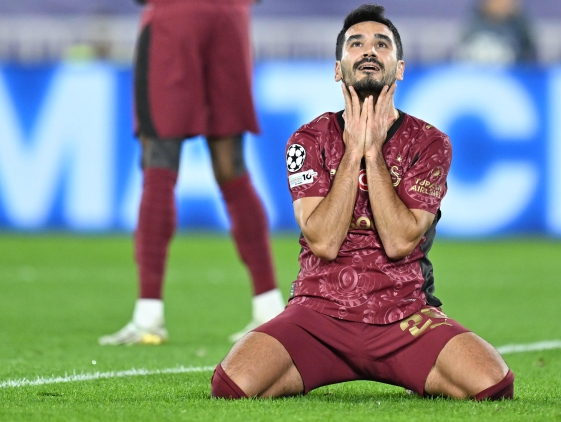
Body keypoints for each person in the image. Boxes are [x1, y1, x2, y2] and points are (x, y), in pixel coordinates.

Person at [210, 4, 514, 400]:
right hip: (317, 316)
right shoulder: (308, 140)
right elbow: (323, 242)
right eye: (356, 43)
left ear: (399, 68)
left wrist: (373, 152)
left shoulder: (429, 142)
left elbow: (400, 241)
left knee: (493, 386)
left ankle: (410, 368)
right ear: (338, 69)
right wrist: (353, 150)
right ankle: (328, 367)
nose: (369, 50)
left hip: (405, 317)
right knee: (231, 386)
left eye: (381, 44)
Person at [99, 0, 285, 346]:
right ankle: (269, 307)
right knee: (232, 167)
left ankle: (148, 317)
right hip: (231, 16)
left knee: (159, 164)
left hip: (175, 17)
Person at [459, 0, 536, 65]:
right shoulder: (472, 23)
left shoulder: (520, 28)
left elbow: (530, 63)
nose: (501, 3)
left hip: (509, 77)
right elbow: (460, 57)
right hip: (476, 76)